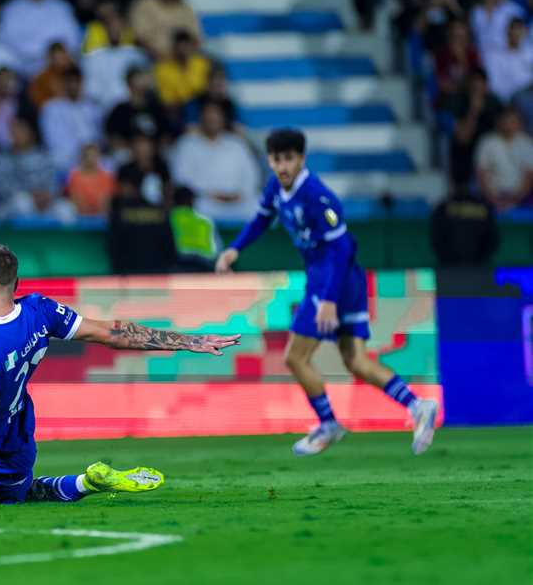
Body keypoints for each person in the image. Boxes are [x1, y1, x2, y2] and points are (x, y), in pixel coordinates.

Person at [0, 243, 241, 508]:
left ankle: (87, 482)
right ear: (16, 283)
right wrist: (189, 340)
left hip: (3, 443)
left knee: (21, 493)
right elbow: (113, 332)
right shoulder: (39, 310)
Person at [215, 128, 440, 456]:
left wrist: (329, 300)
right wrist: (235, 249)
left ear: (302, 159)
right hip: (340, 280)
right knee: (356, 361)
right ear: (269, 160)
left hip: (332, 281)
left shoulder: (317, 196)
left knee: (295, 356)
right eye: (277, 159)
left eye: (289, 158)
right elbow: (261, 221)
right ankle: (418, 405)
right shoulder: (275, 188)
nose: (283, 166)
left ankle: (329, 424)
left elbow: (342, 249)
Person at [170, 101, 259, 222]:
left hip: (237, 201)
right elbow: (181, 179)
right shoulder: (186, 144)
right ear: (201, 118)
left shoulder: (236, 144)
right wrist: (212, 195)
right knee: (194, 210)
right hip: (205, 201)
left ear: (223, 119)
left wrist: (238, 195)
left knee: (260, 208)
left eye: (216, 116)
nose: (212, 120)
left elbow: (251, 176)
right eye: (208, 117)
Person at [0, 0, 81, 76]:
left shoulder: (62, 8)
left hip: (54, 69)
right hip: (19, 68)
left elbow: (73, 40)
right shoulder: (11, 8)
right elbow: (4, 41)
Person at [128, 0, 202, 60]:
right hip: (149, 59)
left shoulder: (186, 9)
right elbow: (139, 37)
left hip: (181, 62)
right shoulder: (145, 4)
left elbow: (196, 39)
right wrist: (158, 56)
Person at [475, 107, 533, 211]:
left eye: (513, 121)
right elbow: (481, 174)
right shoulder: (487, 142)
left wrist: (514, 200)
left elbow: (529, 177)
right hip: (492, 195)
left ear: (520, 123)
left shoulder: (527, 143)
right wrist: (494, 199)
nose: (509, 125)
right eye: (506, 121)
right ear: (499, 123)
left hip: (520, 196)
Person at [484, 17, 533, 103]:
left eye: (520, 30)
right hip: (512, 97)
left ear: (525, 32)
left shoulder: (530, 52)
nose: (517, 34)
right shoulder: (495, 56)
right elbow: (495, 87)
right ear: (508, 31)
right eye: (514, 29)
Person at [66, 143, 114, 215]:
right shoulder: (74, 176)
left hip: (102, 214)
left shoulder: (106, 176)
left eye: (93, 155)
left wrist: (99, 211)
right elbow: (76, 198)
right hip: (80, 214)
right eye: (87, 156)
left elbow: (106, 200)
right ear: (82, 157)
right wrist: (85, 210)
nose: (90, 159)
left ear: (99, 156)